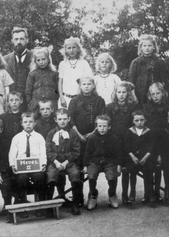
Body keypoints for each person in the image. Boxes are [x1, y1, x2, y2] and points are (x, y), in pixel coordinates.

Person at [68, 76, 106, 207]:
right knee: (78, 167)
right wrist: (78, 134)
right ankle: (78, 197)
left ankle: (92, 194)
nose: (86, 86)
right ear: (80, 86)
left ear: (93, 86)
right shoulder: (74, 100)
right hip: (78, 138)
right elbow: (70, 119)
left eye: (89, 84)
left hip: (94, 138)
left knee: (91, 166)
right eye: (84, 84)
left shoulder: (99, 100)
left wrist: (93, 133)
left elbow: (102, 118)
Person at [9, 112, 47, 218]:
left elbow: (43, 152)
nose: (28, 124)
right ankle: (22, 207)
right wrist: (13, 165)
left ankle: (39, 206)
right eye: (25, 122)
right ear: (21, 123)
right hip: (22, 168)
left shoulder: (39, 137)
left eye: (31, 122)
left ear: (35, 123)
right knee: (21, 179)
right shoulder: (17, 138)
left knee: (40, 177)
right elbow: (12, 153)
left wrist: (43, 164)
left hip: (36, 166)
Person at [106, 81, 138, 205]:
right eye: (119, 92)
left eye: (124, 92)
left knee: (129, 168)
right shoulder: (110, 107)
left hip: (128, 141)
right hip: (114, 142)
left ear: (128, 93)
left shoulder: (133, 107)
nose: (121, 95)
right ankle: (113, 193)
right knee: (115, 168)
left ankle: (129, 193)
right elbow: (107, 124)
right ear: (115, 93)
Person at [45, 108, 82, 215]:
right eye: (60, 119)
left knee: (75, 174)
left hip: (69, 162)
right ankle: (49, 206)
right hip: (54, 162)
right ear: (55, 120)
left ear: (69, 119)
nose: (62, 121)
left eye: (65, 119)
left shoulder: (73, 133)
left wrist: (66, 162)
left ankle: (75, 204)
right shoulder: (51, 133)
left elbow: (76, 151)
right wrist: (56, 162)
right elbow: (48, 151)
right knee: (51, 176)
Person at [83, 115, 121, 210]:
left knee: (111, 176)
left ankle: (112, 194)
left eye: (104, 126)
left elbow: (118, 153)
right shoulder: (92, 138)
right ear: (96, 126)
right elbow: (87, 152)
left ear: (109, 126)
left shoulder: (114, 138)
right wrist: (85, 165)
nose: (102, 128)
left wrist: (119, 164)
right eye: (100, 126)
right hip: (94, 161)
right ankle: (93, 195)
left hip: (109, 161)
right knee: (91, 176)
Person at [143, 82, 169, 202]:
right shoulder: (145, 107)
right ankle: (149, 193)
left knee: (160, 165)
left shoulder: (167, 107)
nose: (155, 96)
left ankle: (159, 191)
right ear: (149, 95)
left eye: (158, 93)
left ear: (163, 93)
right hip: (149, 142)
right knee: (149, 165)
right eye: (152, 94)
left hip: (163, 141)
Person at [123, 110, 155, 206]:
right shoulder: (129, 131)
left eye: (142, 120)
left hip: (146, 158)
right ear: (133, 121)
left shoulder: (149, 132)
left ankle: (148, 194)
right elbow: (126, 146)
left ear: (145, 120)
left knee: (148, 170)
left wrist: (145, 157)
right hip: (133, 158)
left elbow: (151, 146)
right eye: (137, 120)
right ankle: (132, 192)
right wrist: (133, 157)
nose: (139, 122)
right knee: (132, 170)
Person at [129, 34, 167, 104]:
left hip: (155, 94)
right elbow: (131, 81)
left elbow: (163, 80)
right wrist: (133, 96)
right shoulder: (135, 62)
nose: (147, 48)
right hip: (139, 94)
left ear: (154, 47)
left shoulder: (159, 61)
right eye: (144, 46)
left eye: (149, 45)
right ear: (141, 48)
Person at [58, 37, 93, 108]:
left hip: (80, 98)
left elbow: (89, 81)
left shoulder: (84, 63)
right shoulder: (63, 64)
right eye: (69, 48)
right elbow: (60, 82)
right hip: (65, 98)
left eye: (74, 47)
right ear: (65, 50)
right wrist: (61, 98)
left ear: (78, 49)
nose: (71, 50)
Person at [3, 27, 33, 111]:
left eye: (22, 39)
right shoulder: (5, 60)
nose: (19, 42)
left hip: (30, 104)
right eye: (16, 39)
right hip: (11, 105)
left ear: (27, 40)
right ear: (12, 41)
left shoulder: (35, 58)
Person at [25, 47, 59, 112]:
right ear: (35, 61)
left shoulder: (54, 73)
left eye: (43, 59)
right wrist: (29, 103)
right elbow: (28, 90)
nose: (41, 62)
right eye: (38, 60)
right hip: (35, 104)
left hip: (51, 103)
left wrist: (54, 98)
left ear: (48, 59)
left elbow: (57, 90)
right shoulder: (32, 74)